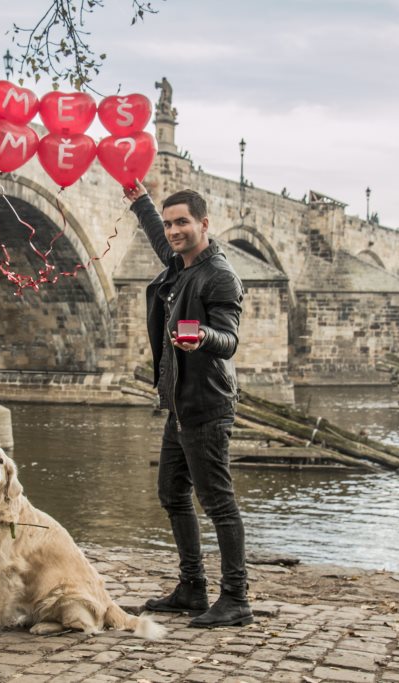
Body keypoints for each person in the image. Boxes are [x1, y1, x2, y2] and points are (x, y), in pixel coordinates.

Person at [123, 180, 252, 628]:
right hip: (179, 403)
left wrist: (203, 338)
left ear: (204, 224)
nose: (174, 231)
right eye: (170, 223)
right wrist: (139, 200)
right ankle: (192, 587)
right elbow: (160, 239)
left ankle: (235, 598)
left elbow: (229, 339)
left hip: (207, 404)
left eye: (183, 223)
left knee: (218, 502)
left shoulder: (220, 276)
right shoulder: (179, 263)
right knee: (172, 494)